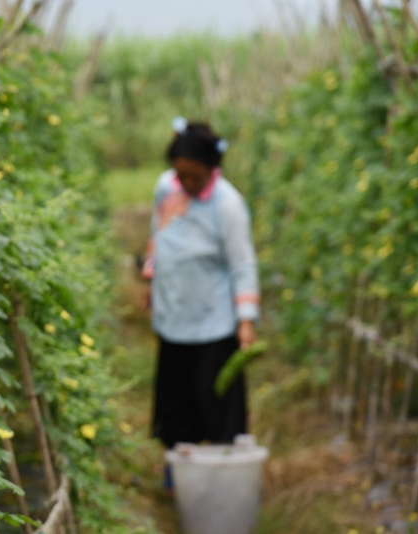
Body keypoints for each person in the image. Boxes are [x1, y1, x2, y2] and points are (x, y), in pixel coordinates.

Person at [142, 117, 260, 490]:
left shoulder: (228, 205)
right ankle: (178, 472)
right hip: (173, 315)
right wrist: (153, 278)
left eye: (195, 177)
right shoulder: (167, 187)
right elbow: (157, 234)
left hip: (213, 322)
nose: (187, 183)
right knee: (175, 399)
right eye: (182, 175)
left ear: (213, 169)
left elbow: (242, 264)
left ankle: (222, 479)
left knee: (216, 401)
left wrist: (245, 320)